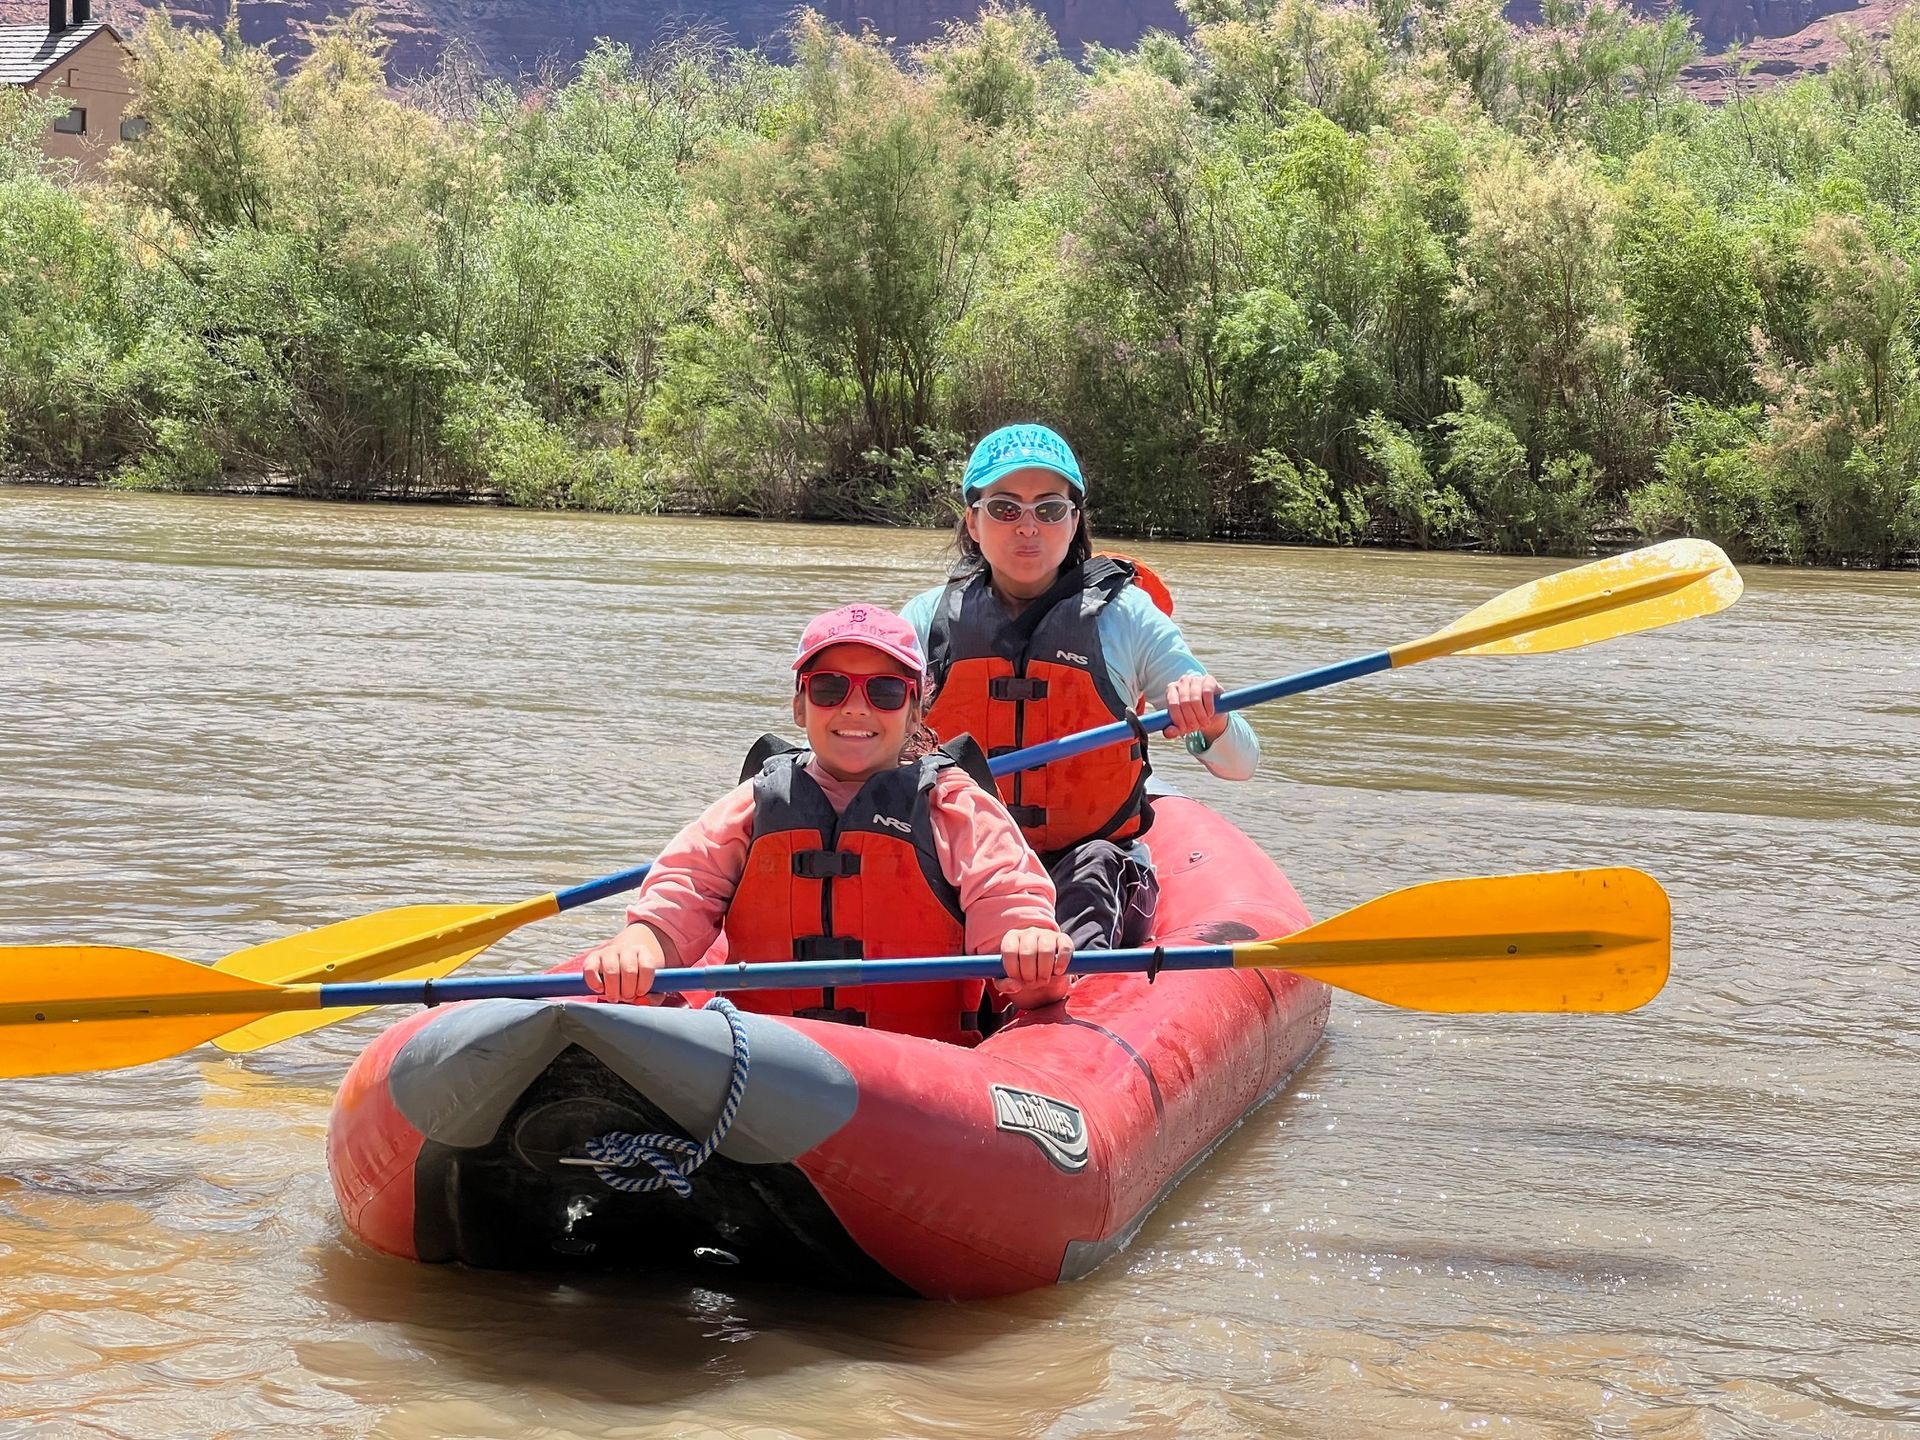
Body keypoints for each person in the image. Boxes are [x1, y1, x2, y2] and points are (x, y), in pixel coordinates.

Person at [580, 604, 1074, 1037]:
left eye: (883, 691)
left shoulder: (954, 808)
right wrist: (643, 942)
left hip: (918, 1065)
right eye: (830, 688)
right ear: (800, 705)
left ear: (914, 712)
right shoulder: (755, 805)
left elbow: (1007, 889)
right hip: (764, 1053)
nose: (855, 706)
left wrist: (1026, 943)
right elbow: (687, 885)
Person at [898, 422, 1260, 958]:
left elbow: (1241, 762)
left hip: (1087, 863)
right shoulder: (925, 620)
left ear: (1073, 521)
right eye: (1004, 508)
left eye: (1048, 509)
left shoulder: (1127, 618)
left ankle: (1062, 1011)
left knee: (1092, 874)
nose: (1027, 527)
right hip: (963, 858)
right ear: (973, 521)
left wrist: (1208, 720)